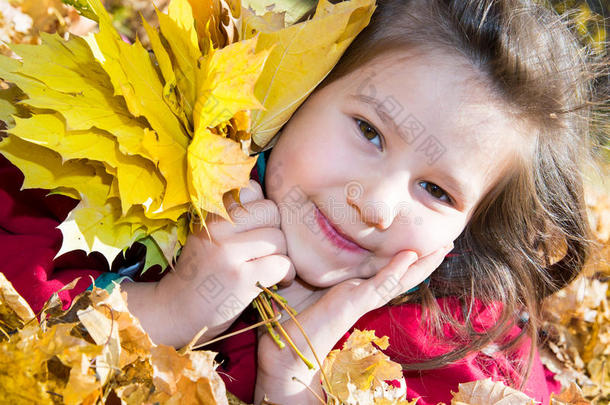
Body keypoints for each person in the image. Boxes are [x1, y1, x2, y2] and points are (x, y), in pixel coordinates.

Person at [0, 0, 604, 403]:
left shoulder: (446, 350)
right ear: (296, 90)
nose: (376, 204)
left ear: (468, 232)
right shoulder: (123, 182)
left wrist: (292, 388)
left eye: (438, 191)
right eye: (369, 131)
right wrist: (167, 308)